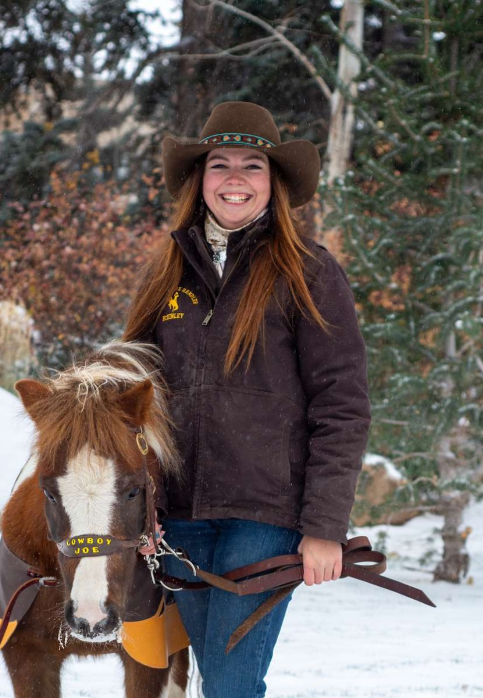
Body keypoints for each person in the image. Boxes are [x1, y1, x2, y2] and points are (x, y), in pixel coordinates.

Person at [125, 101, 371, 698]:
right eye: (220, 164)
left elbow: (342, 407)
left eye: (252, 166)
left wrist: (323, 528)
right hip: (180, 514)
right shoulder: (166, 272)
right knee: (207, 678)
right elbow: (134, 397)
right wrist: (144, 502)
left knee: (232, 684)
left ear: (274, 182)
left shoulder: (310, 273)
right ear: (200, 178)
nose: (235, 179)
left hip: (265, 516)